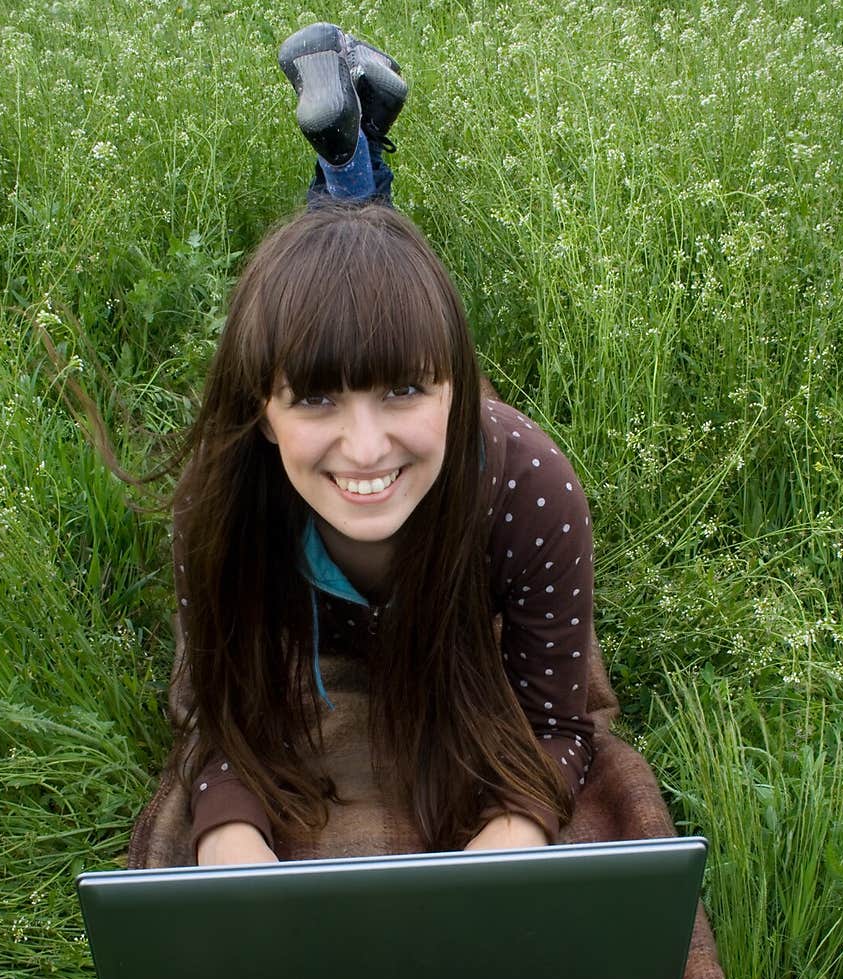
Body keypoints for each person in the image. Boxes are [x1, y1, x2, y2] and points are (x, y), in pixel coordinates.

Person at [173, 24, 596, 868]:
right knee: (344, 290)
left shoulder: (530, 487)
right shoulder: (223, 496)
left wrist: (508, 840)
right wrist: (230, 843)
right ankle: (352, 162)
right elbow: (220, 717)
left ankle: (352, 164)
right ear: (261, 411)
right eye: (316, 398)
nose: (364, 449)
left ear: (458, 390)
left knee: (360, 291)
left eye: (406, 388)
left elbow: (558, 725)